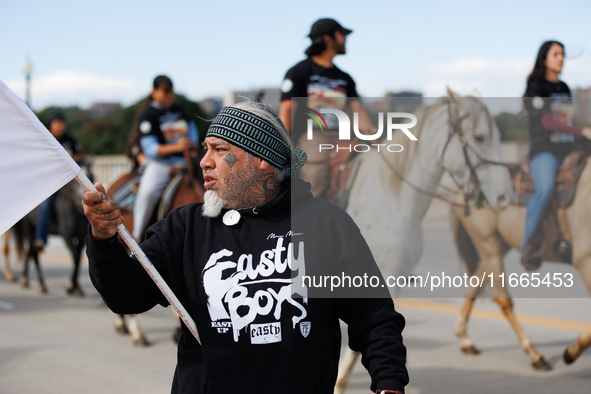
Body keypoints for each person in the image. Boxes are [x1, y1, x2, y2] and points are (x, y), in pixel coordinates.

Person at [82, 101, 408, 394]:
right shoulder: (184, 227)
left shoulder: (327, 223)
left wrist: (389, 385)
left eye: (219, 150)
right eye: (205, 149)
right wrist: (103, 239)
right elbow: (125, 296)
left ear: (262, 160)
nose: (204, 162)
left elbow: (375, 318)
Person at [279, 18, 376, 200]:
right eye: (342, 35)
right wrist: (282, 147)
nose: (345, 39)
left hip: (344, 135)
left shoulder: (345, 77)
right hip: (313, 136)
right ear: (328, 38)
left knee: (373, 162)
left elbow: (358, 111)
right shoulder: (299, 72)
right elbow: (287, 112)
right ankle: (310, 220)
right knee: (317, 175)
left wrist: (371, 133)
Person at [520, 40, 591, 269]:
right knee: (546, 188)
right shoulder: (535, 88)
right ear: (544, 59)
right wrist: (582, 130)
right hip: (545, 151)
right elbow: (548, 122)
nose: (561, 58)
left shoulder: (564, 87)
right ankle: (529, 245)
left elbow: (565, 121)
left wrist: (579, 137)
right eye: (556, 54)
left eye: (562, 54)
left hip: (567, 147)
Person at [131, 75, 199, 241]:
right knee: (147, 193)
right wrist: (176, 147)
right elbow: (150, 149)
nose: (169, 96)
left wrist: (191, 143)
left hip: (186, 161)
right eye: (165, 92)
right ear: (154, 92)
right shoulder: (148, 114)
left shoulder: (178, 109)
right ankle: (136, 236)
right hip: (161, 164)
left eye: (171, 93)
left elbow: (192, 131)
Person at [34, 112, 85, 251]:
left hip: (69, 180)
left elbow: (80, 155)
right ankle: (41, 237)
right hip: (52, 180)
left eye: (62, 122)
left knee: (83, 199)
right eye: (57, 122)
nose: (60, 125)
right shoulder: (46, 139)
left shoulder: (70, 140)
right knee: (46, 205)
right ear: (51, 125)